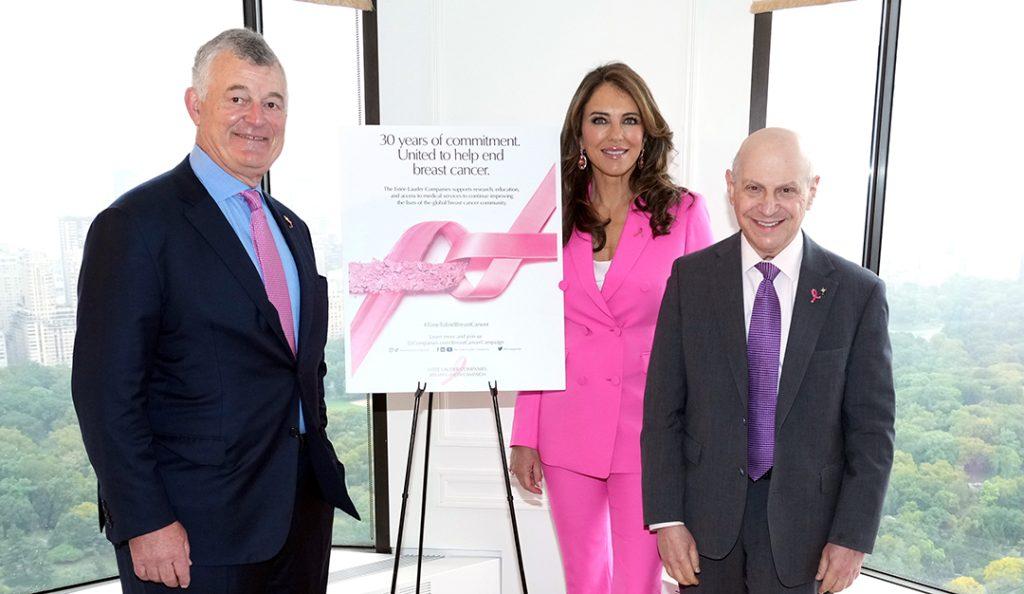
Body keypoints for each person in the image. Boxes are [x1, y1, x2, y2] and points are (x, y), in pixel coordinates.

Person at [71, 28, 358, 593]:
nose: (257, 117)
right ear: (195, 104)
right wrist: (145, 520)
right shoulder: (135, 226)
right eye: (237, 97)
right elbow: (105, 394)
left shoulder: (291, 227)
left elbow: (298, 367)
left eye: (272, 102)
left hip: (299, 520)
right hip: (191, 532)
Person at [641, 127, 895, 594]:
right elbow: (662, 412)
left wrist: (853, 536)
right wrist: (666, 519)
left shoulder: (857, 294)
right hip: (703, 526)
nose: (768, 206)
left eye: (786, 190)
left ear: (811, 191)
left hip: (808, 535)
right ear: (731, 186)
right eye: (754, 188)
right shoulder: (690, 280)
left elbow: (872, 432)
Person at [510, 63, 714, 594]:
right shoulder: (549, 213)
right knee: (583, 580)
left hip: (651, 435)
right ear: (580, 132)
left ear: (647, 132)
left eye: (629, 120)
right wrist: (525, 435)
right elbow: (537, 330)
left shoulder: (685, 212)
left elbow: (707, 337)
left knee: (636, 584)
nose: (615, 135)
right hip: (565, 425)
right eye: (600, 120)